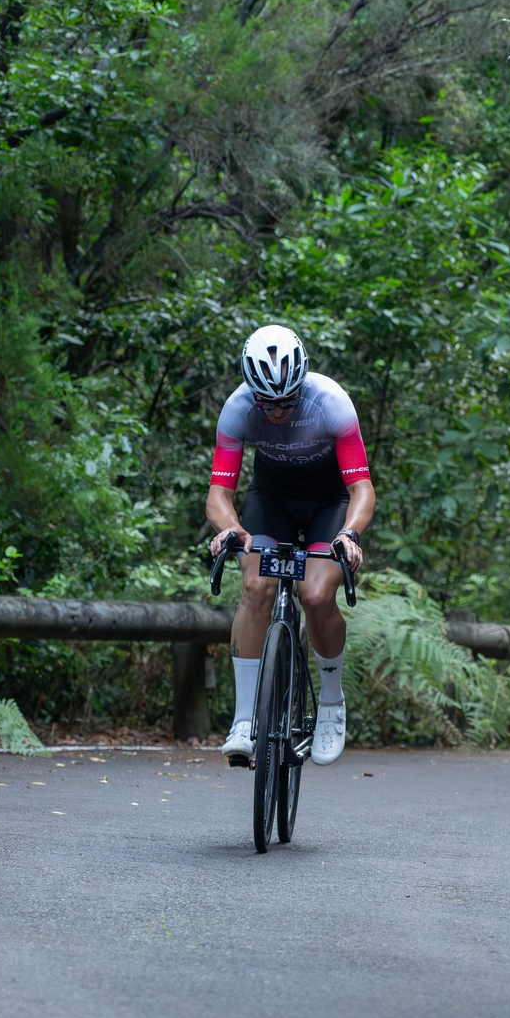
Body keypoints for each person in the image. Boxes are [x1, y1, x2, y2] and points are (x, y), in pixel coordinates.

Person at [207, 325, 375, 769]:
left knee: (317, 593)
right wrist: (229, 529)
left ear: (301, 384)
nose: (278, 410)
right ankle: (244, 721)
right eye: (268, 401)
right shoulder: (238, 409)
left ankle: (331, 701)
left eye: (288, 400)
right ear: (252, 390)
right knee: (256, 586)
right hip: (272, 500)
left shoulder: (330, 402)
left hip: (329, 502)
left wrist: (349, 533)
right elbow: (219, 495)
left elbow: (361, 489)